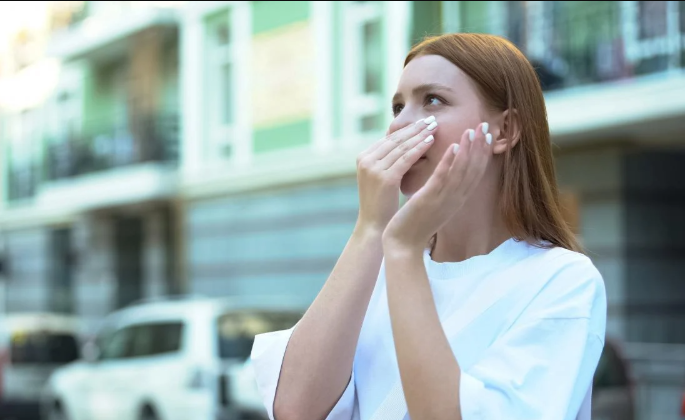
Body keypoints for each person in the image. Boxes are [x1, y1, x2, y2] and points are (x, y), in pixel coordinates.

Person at [251, 33, 607, 420]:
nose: (399, 125)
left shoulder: (562, 281)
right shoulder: (376, 268)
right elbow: (295, 409)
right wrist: (372, 228)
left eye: (432, 100)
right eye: (398, 107)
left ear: (504, 131)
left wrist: (403, 250)